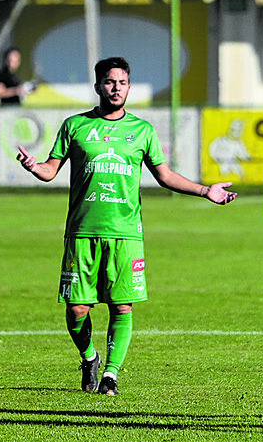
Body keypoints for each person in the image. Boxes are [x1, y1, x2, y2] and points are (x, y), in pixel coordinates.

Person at [16, 57, 236, 395]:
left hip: (126, 233)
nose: (116, 87)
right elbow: (50, 170)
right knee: (76, 309)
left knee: (122, 306)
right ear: (97, 86)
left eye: (122, 82)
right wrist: (33, 166)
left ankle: (111, 375)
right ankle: (89, 358)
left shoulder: (141, 131)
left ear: (129, 87)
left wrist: (206, 190)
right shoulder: (74, 126)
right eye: (109, 81)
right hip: (82, 232)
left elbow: (165, 176)